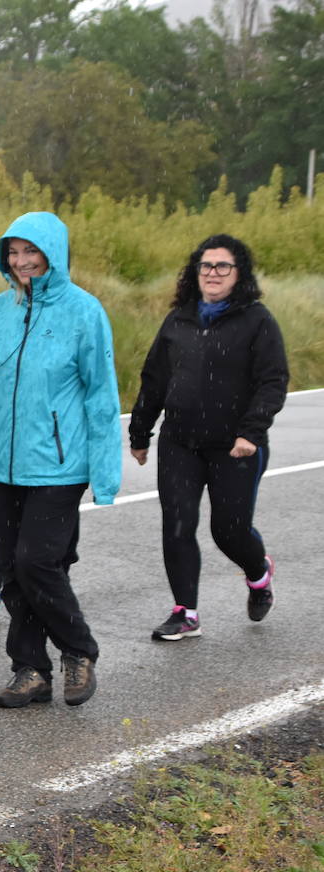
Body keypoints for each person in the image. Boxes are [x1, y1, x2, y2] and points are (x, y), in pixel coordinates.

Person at [0, 211, 121, 710]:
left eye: (31, 252)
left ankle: (78, 650)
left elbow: (102, 398)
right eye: (13, 253)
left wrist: (105, 473)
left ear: (53, 255)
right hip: (3, 466)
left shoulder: (85, 313)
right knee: (4, 567)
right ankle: (31, 669)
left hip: (59, 468)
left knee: (37, 562)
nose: (21, 262)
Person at [129, 234, 287, 641]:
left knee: (229, 531)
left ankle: (258, 573)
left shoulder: (257, 320)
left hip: (235, 445)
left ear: (239, 274)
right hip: (180, 441)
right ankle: (186, 612)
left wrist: (251, 432)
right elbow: (155, 377)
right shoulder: (178, 319)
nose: (212, 273)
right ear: (195, 272)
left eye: (222, 266)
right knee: (177, 524)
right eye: (206, 266)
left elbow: (273, 381)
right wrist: (141, 431)